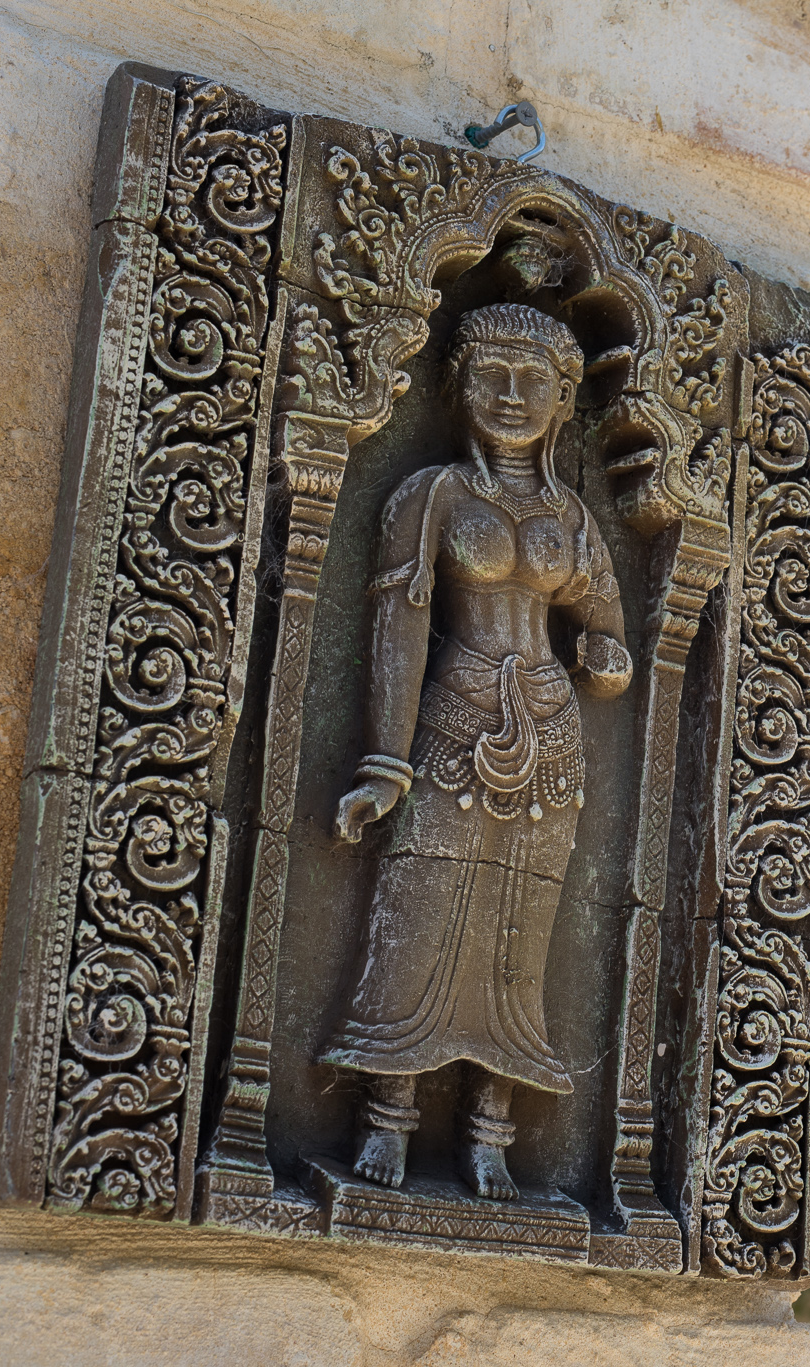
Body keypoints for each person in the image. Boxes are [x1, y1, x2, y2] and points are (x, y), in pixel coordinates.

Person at [323, 302, 632, 1199]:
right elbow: (399, 629)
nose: (510, 395)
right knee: (418, 917)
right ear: (459, 387)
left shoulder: (571, 517)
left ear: (563, 401)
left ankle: (490, 1135)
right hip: (453, 720)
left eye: (533, 381)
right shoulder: (431, 497)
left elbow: (608, 635)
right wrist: (384, 764)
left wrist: (602, 657)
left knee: (516, 940)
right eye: (492, 376)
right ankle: (387, 1120)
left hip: (549, 740)